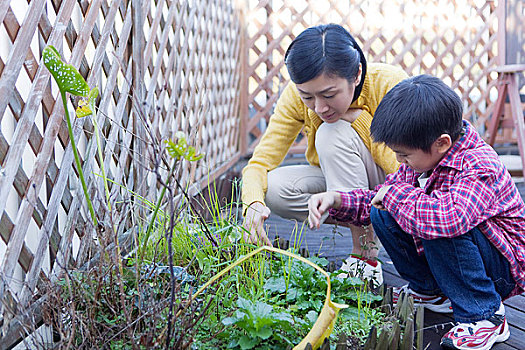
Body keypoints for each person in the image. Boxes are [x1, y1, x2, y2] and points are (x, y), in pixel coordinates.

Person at [308, 74, 525, 350]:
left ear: (442, 143)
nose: (399, 161)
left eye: (405, 155)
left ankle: (484, 315)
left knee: (435, 221)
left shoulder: (479, 166)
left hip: (499, 269)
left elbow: (450, 220)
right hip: (461, 251)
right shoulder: (424, 159)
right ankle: (431, 290)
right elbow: (381, 198)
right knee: (383, 213)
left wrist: (395, 196)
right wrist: (337, 199)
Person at [241, 24, 407, 283]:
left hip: (396, 185)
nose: (319, 107)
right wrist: (251, 203)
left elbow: (409, 165)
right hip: (346, 184)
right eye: (307, 97)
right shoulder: (295, 97)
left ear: (356, 74)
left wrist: (360, 120)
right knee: (274, 189)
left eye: (329, 95)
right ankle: (370, 220)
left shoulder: (388, 83)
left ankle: (365, 256)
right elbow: (259, 163)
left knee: (331, 132)